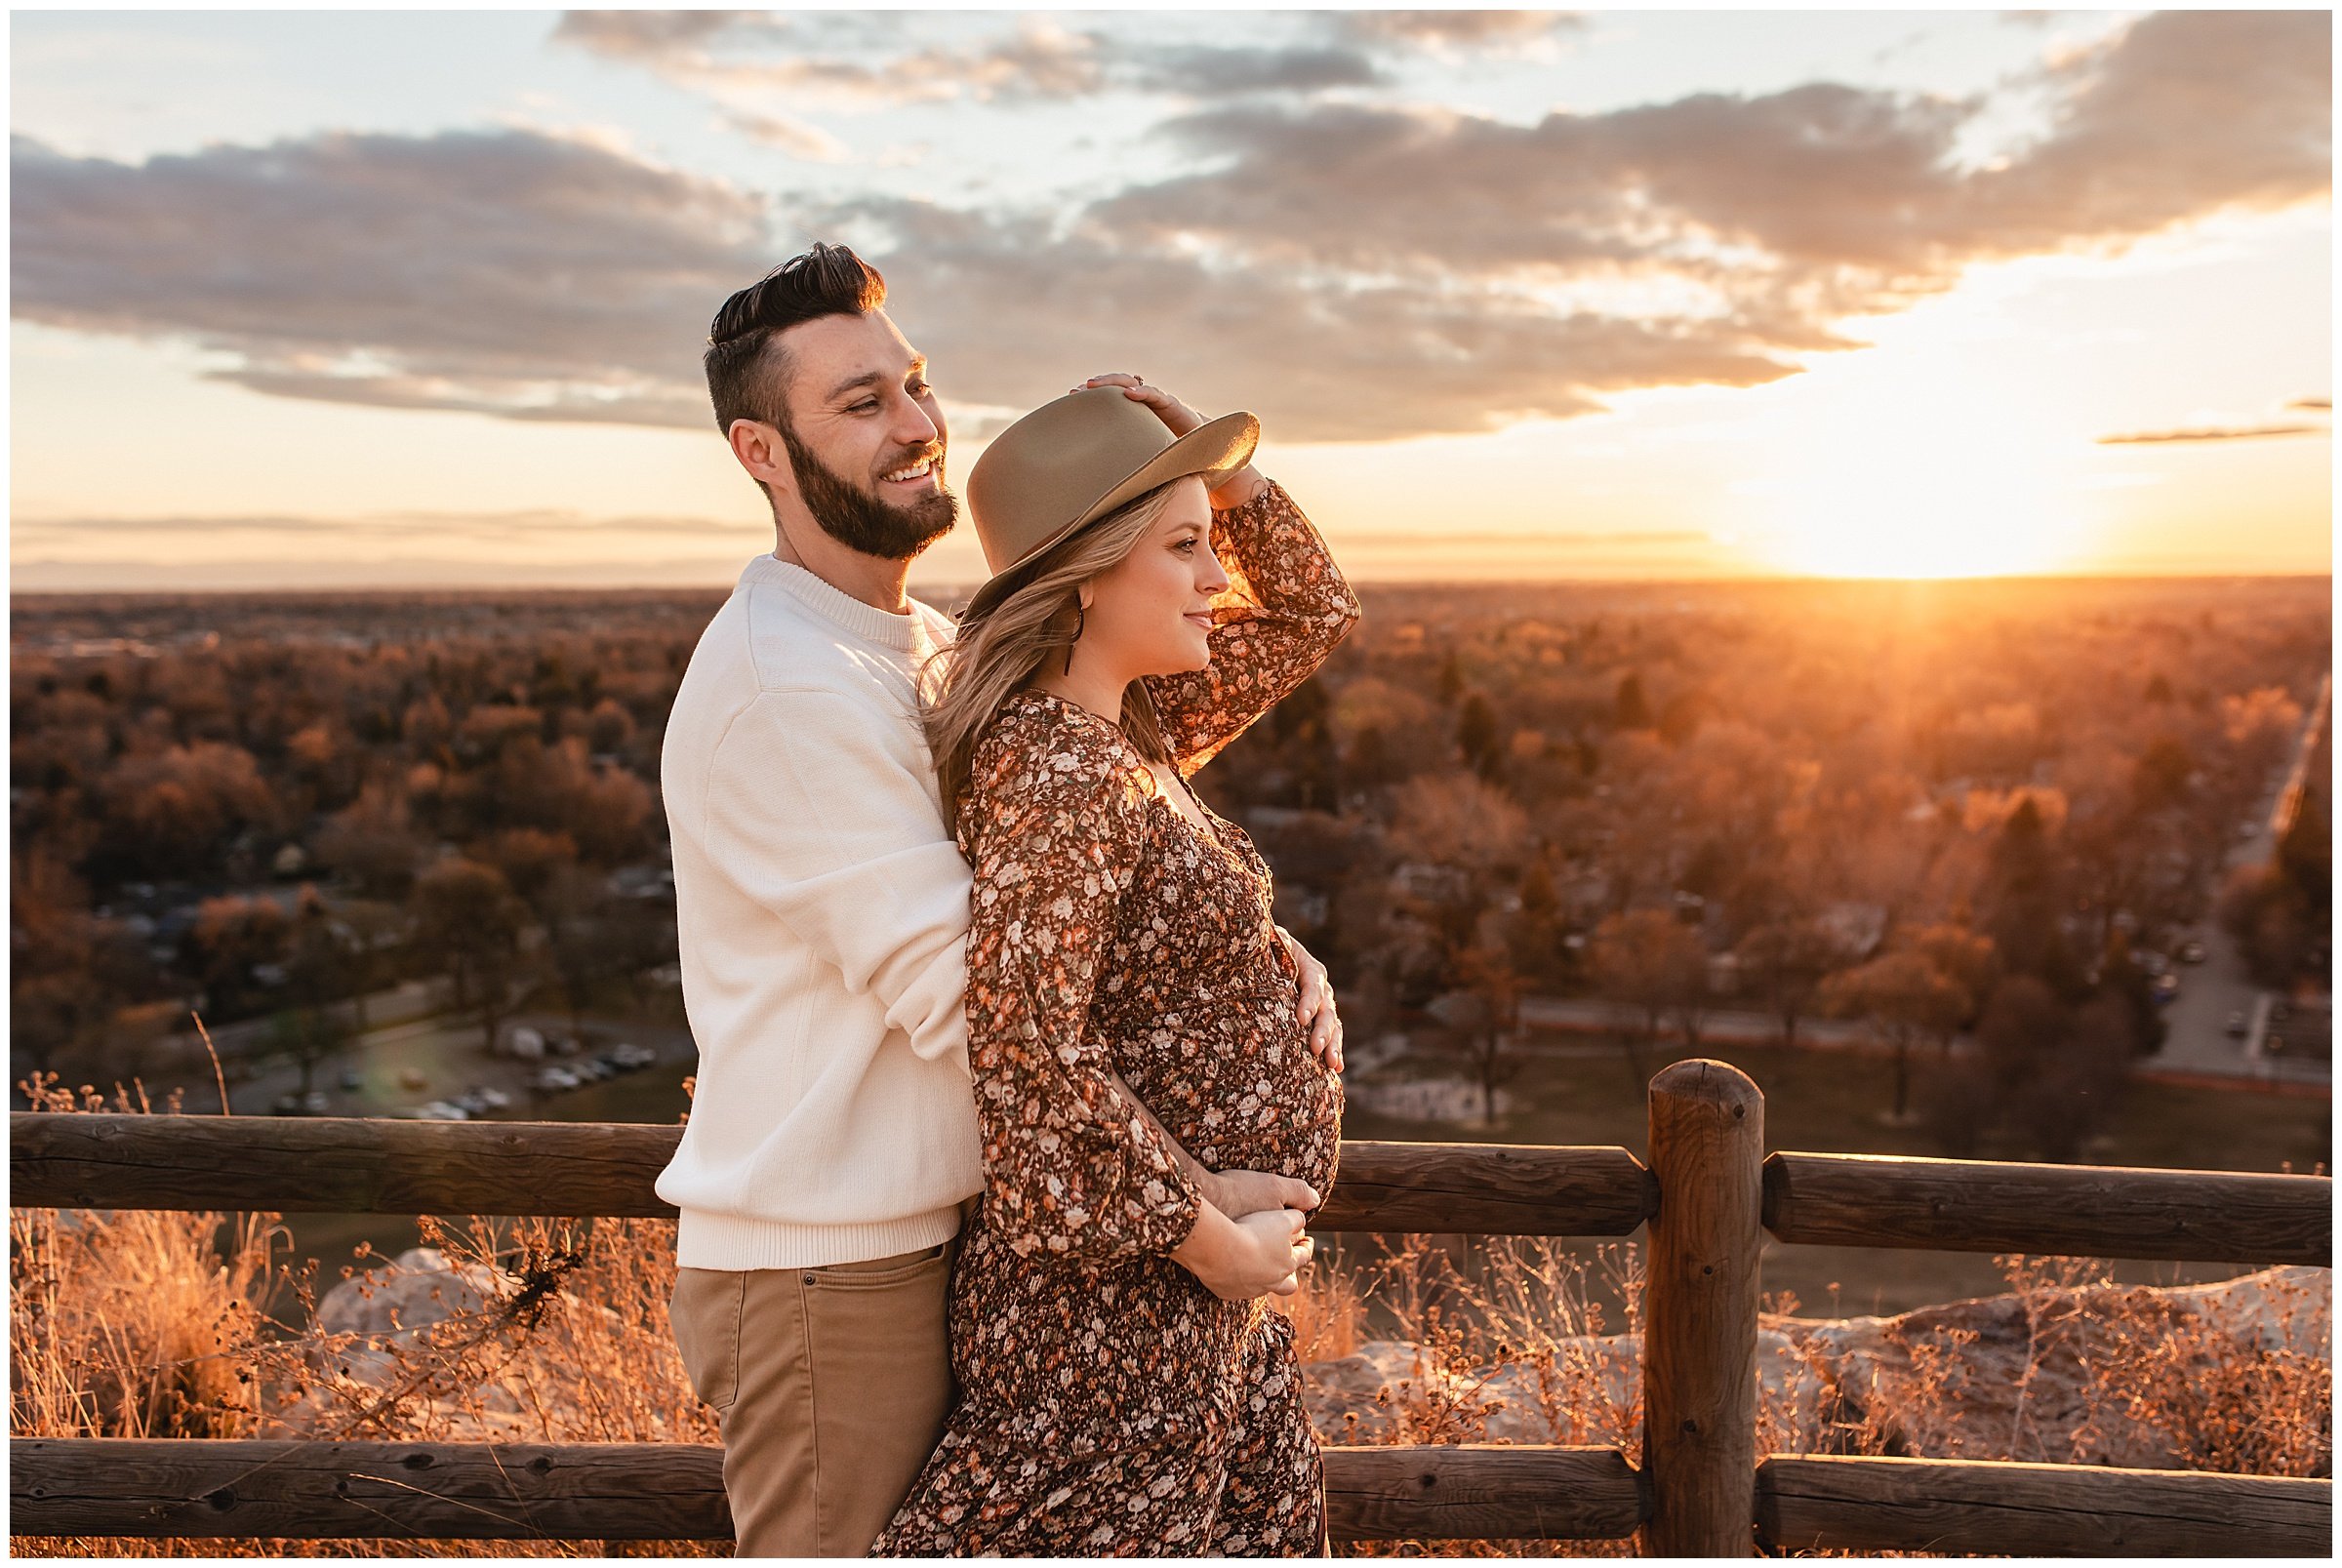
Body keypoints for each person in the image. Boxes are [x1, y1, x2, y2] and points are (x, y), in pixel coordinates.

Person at [655, 245, 1345, 1557]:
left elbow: (1291, 629)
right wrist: (1205, 1227)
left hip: (964, 1242)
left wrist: (1228, 476)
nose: (915, 423)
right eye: (860, 404)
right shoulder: (784, 685)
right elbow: (993, 1013)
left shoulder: (940, 654)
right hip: (831, 1265)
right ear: (759, 449)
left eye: (912, 384)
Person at [873, 377, 1360, 1554]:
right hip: (1116, 1325)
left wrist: (1220, 473)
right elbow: (1031, 1062)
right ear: (1086, 571)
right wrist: (1214, 1236)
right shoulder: (1056, 768)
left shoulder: (1127, 732)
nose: (1218, 574)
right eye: (1186, 544)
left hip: (1190, 1311)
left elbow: (1309, 611)